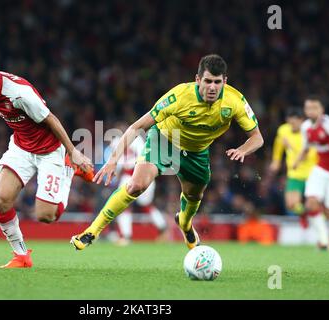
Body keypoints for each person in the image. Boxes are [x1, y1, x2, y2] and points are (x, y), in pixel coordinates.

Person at [71, 54, 264, 251]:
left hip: (197, 152)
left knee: (193, 196)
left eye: (217, 82)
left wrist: (243, 149)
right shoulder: (179, 96)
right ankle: (91, 231)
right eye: (207, 81)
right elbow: (136, 127)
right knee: (136, 186)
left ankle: (185, 224)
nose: (212, 87)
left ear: (224, 81)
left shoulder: (235, 101)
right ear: (198, 80)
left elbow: (257, 138)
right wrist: (113, 160)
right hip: (164, 140)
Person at [0, 47, 94, 268]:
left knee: (46, 216)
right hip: (21, 147)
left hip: (50, 151)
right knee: (1, 201)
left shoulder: (19, 93)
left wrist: (72, 151)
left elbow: (51, 119)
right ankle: (21, 255)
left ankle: (69, 167)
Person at [293, 96, 329, 251]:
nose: (311, 111)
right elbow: (306, 147)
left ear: (322, 109)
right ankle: (324, 241)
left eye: (315, 107)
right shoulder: (305, 127)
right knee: (310, 203)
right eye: (308, 108)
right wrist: (297, 161)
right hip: (320, 169)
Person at [108, 127, 168, 245]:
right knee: (146, 206)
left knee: (125, 206)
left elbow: (119, 163)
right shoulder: (138, 140)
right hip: (144, 175)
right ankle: (162, 228)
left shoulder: (119, 142)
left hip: (132, 176)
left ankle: (126, 236)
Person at [269, 108, 317, 221]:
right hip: (295, 174)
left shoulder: (309, 131)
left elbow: (309, 155)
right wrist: (276, 161)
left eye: (294, 123)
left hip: (312, 173)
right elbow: (278, 145)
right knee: (291, 205)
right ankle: (305, 215)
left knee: (313, 204)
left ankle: (315, 219)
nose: (292, 126)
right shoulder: (283, 130)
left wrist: (291, 147)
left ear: (301, 120)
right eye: (289, 123)